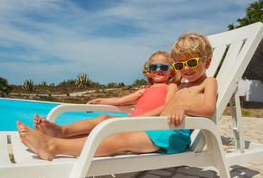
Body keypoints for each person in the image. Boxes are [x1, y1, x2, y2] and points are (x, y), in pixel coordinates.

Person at [18, 34, 217, 160]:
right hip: (156, 128)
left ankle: (53, 146)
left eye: (191, 62)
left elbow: (209, 110)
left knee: (119, 138)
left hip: (172, 136)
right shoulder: (181, 85)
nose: (186, 69)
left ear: (206, 63)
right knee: (107, 122)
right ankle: (60, 132)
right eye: (181, 65)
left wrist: (184, 108)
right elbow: (163, 109)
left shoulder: (209, 83)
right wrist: (138, 117)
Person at [30, 51, 179, 139]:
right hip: (132, 121)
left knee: (106, 131)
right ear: (149, 70)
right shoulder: (145, 90)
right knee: (103, 119)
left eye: (163, 67)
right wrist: (100, 100)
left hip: (147, 125)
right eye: (154, 67)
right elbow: (121, 100)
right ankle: (60, 131)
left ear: (171, 71)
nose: (158, 70)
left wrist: (145, 116)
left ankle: (59, 135)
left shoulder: (171, 86)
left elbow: (169, 106)